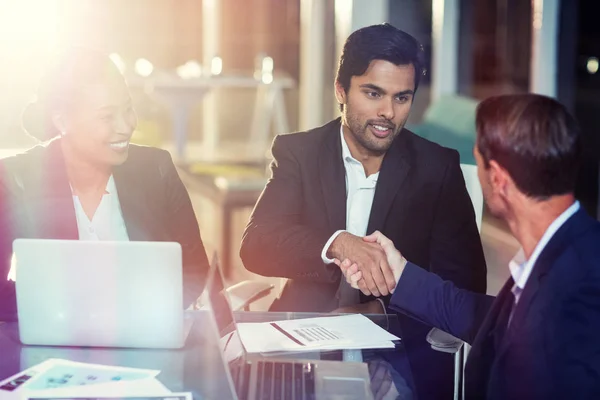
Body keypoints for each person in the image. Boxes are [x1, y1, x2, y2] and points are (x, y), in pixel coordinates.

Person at [240, 23, 486, 397]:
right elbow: (256, 244)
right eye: (373, 93)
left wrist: (379, 310)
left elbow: (466, 288)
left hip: (399, 352)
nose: (388, 112)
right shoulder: (299, 153)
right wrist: (338, 243)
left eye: (402, 97)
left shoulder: (437, 168)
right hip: (306, 339)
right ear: (341, 90)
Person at [341, 94, 600, 399]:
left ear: (499, 181)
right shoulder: (567, 251)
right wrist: (401, 274)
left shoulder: (578, 290)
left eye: (477, 163)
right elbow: (492, 319)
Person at [0, 47, 210, 321]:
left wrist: (143, 312)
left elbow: (194, 269)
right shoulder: (16, 179)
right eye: (107, 117)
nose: (125, 126)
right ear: (62, 121)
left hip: (145, 334)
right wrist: (63, 310)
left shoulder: (156, 169)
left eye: (128, 109)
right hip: (52, 340)